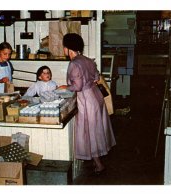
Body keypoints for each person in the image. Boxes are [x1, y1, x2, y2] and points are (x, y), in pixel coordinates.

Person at [58, 33, 116, 175]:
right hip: (96, 95)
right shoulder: (88, 60)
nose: (63, 49)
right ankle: (97, 160)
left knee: (90, 131)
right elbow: (96, 77)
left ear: (68, 48)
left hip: (86, 99)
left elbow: (77, 87)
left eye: (64, 47)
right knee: (96, 129)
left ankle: (99, 165)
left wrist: (65, 87)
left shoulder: (74, 63)